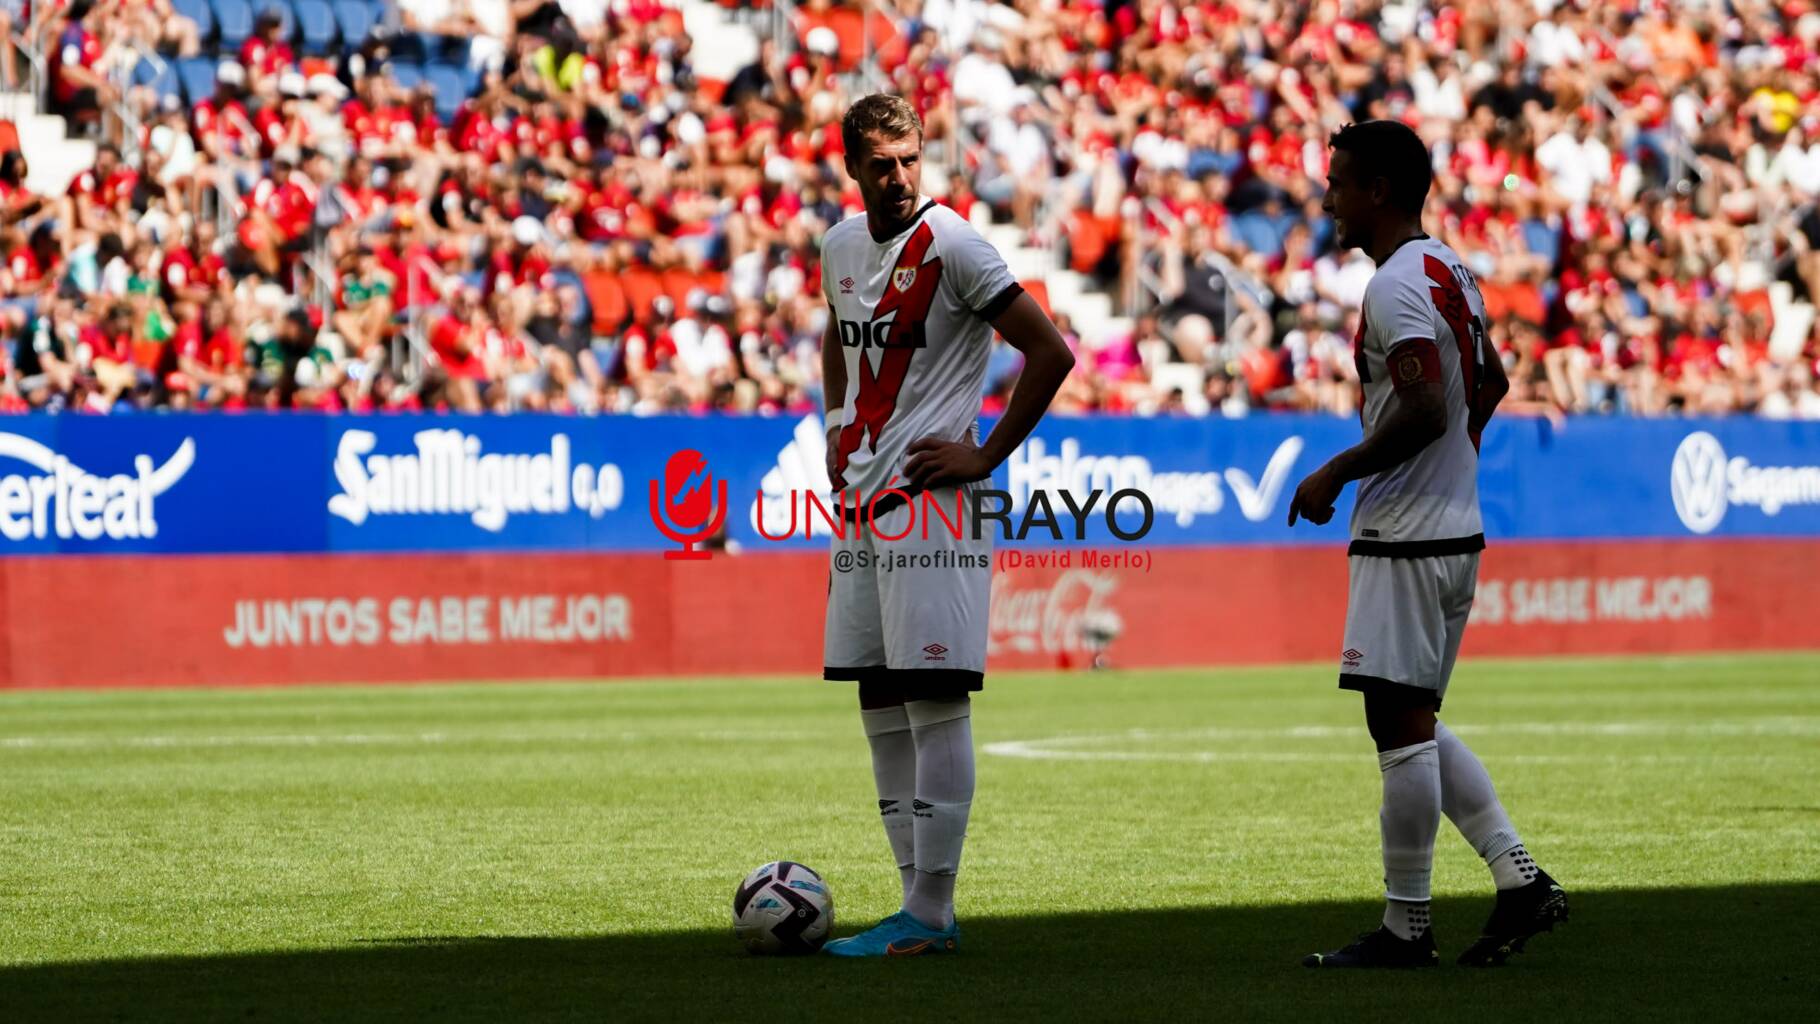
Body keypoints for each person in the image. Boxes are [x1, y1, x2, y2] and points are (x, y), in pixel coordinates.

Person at [1287, 120, 1568, 969]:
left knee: (1397, 730)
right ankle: (1518, 879)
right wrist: (1457, 466)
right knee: (1413, 719)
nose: (1328, 196)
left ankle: (1407, 928)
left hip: (1406, 535)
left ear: (1375, 191)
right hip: (1454, 528)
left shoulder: (1397, 285)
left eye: (1338, 182)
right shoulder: (1450, 267)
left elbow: (1425, 408)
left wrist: (1336, 471)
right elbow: (1493, 382)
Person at [817, 93, 1074, 958]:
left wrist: (985, 454)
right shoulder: (840, 247)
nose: (896, 179)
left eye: (908, 161)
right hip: (859, 502)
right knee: (878, 697)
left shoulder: (957, 245)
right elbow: (836, 335)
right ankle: (910, 905)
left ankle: (933, 909)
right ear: (850, 165)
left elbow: (1050, 351)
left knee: (934, 701)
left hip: (933, 504)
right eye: (879, 164)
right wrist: (833, 422)